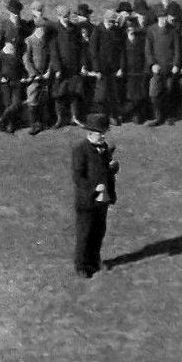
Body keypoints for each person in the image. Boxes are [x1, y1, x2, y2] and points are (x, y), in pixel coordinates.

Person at [71, 112, 119, 278]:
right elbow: (78, 177)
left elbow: (106, 169)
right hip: (87, 201)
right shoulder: (80, 150)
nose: (103, 136)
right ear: (90, 133)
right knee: (85, 234)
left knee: (99, 231)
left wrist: (113, 167)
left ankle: (94, 261)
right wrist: (94, 188)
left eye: (104, 133)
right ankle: (81, 266)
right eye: (100, 133)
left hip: (103, 199)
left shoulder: (104, 148)